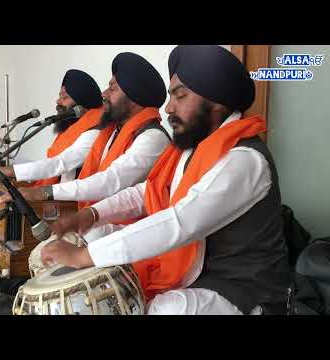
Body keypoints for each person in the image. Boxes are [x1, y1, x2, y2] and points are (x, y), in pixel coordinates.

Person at [40, 45, 292, 315]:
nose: (169, 107)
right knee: (107, 256)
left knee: (167, 309)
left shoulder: (245, 160)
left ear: (217, 102)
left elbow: (181, 221)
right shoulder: (193, 147)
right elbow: (148, 192)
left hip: (243, 290)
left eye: (180, 96)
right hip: (194, 273)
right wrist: (92, 214)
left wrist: (83, 256)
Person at [0, 53, 171, 220]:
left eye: (112, 88)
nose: (104, 93)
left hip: (126, 231)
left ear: (134, 98)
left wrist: (41, 191)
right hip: (97, 220)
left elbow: (110, 180)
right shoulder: (113, 132)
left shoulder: (153, 138)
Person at [0, 69, 104, 186]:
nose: (58, 101)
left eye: (64, 97)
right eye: (59, 96)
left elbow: (60, 163)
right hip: (58, 197)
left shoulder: (95, 132)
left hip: (74, 202)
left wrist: (10, 171)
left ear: (82, 104)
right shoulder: (72, 130)